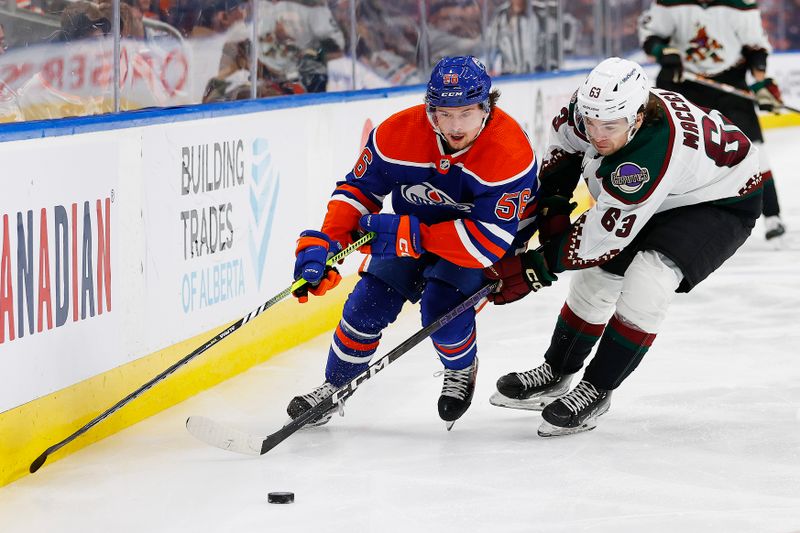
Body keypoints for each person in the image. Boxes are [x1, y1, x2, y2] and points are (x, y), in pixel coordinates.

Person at [485, 57, 762, 437]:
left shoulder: (650, 152)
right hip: (669, 192)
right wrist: (552, 208)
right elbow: (564, 149)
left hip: (719, 200)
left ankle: (597, 389)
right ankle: (557, 371)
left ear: (636, 118)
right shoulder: (589, 110)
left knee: (648, 281)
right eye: (591, 121)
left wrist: (536, 267)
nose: (597, 134)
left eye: (609, 126)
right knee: (594, 281)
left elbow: (603, 236)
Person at [288, 56, 538, 430]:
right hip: (416, 227)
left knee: (442, 312)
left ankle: (460, 368)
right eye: (443, 113)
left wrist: (410, 237)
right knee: (364, 307)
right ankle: (334, 387)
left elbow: (487, 243)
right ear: (430, 109)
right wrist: (327, 243)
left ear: (487, 107)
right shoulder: (398, 133)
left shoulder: (510, 150)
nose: (454, 126)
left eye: (467, 113)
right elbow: (359, 189)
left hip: (476, 240)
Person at [638, 0, 786, 241]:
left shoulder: (741, 4)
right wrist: (664, 53)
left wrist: (761, 83)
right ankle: (657, 217)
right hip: (681, 80)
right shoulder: (669, 2)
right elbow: (652, 36)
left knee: (754, 150)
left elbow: (756, 49)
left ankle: (772, 216)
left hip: (730, 81)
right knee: (667, 149)